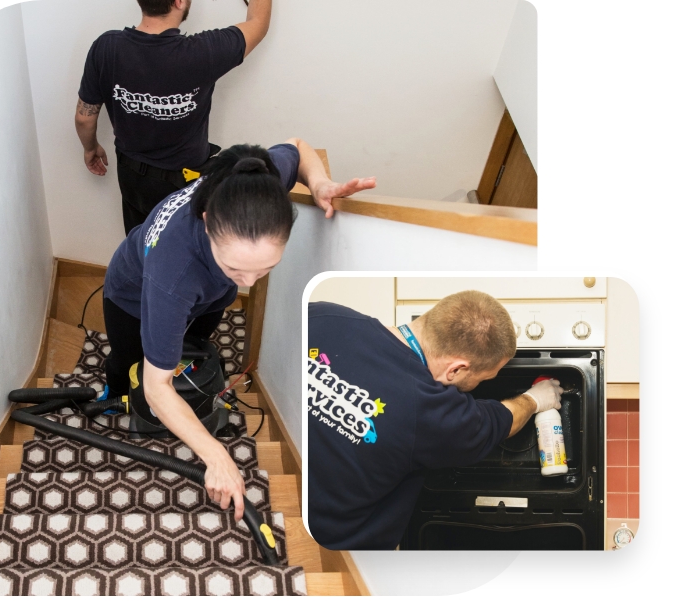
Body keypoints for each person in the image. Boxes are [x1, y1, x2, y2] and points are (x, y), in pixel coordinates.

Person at [103, 138, 375, 520]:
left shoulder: (255, 184)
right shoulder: (173, 277)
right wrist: (216, 456)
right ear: (207, 222)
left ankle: (183, 342)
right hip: (131, 296)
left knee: (191, 344)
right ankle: (111, 394)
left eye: (264, 270)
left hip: (206, 295)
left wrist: (318, 183)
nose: (248, 282)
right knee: (133, 366)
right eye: (236, 269)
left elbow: (298, 150)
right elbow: (156, 387)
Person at [306, 291, 563, 550]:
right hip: (335, 554)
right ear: (456, 369)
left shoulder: (323, 314)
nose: (479, 386)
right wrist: (535, 399)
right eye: (484, 379)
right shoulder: (428, 410)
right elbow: (497, 421)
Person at [75, 0, 273, 234]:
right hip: (180, 188)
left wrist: (90, 148)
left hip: (131, 177)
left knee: (140, 247)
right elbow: (258, 23)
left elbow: (84, 118)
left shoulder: (106, 47)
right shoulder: (203, 52)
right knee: (178, 254)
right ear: (179, 2)